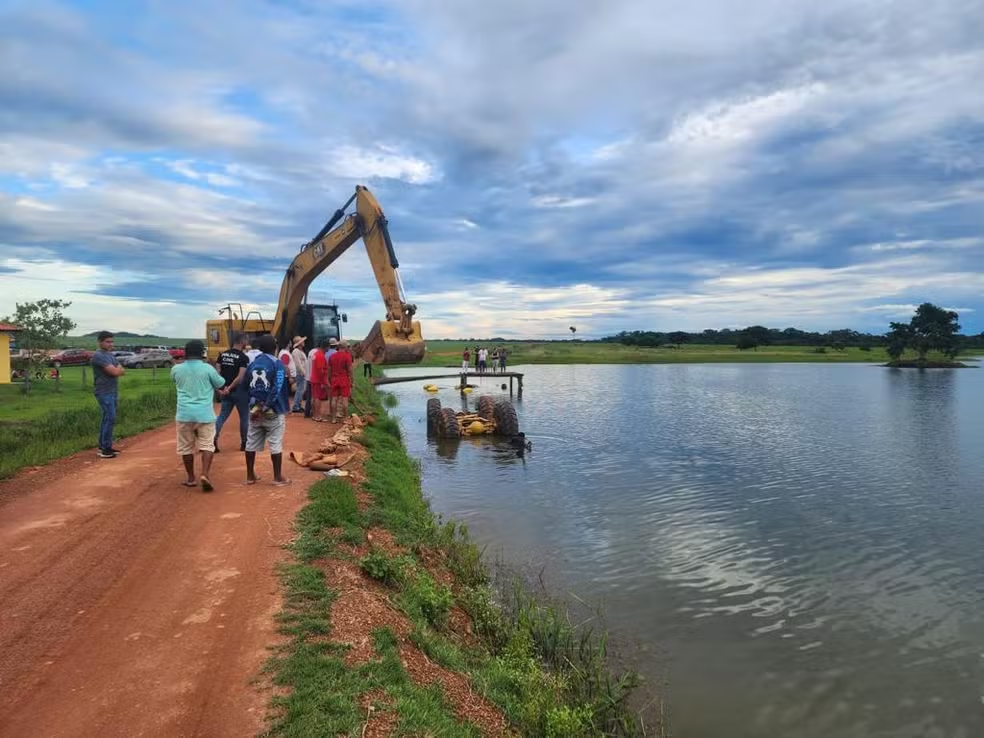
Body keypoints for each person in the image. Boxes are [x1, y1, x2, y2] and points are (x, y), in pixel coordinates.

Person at [171, 339, 226, 491]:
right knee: (208, 445)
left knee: (185, 447)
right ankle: (205, 474)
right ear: (202, 352)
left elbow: (174, 381)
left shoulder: (176, 369)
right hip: (204, 414)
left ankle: (190, 478)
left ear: (185, 352)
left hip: (184, 413)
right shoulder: (208, 369)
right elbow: (220, 383)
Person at [244, 334, 291, 486]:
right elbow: (277, 387)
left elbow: (246, 386)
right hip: (273, 410)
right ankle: (277, 477)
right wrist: (265, 406)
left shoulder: (253, 364)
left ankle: (250, 476)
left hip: (254, 410)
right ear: (274, 347)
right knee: (275, 442)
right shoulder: (277, 364)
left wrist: (255, 406)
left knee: (250, 442)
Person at [91, 331, 125, 458]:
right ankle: (104, 448)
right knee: (109, 418)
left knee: (109, 418)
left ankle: (105, 445)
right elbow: (115, 372)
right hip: (104, 392)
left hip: (112, 391)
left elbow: (121, 369)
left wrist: (118, 370)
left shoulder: (109, 355)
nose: (111, 344)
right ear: (100, 342)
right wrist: (117, 370)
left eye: (112, 341)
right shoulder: (98, 356)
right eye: (108, 341)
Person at [215, 332, 250, 453]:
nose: (247, 343)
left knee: (222, 416)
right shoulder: (243, 357)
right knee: (244, 417)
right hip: (239, 391)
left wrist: (222, 387)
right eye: (246, 340)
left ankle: (213, 438)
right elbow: (240, 377)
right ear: (242, 341)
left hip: (225, 391)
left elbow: (217, 372)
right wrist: (230, 388)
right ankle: (244, 443)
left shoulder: (222, 355)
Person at [328, 339, 354, 423]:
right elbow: (350, 370)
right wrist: (352, 381)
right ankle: (345, 418)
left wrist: (329, 379)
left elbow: (329, 370)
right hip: (344, 379)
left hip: (334, 379)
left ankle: (333, 418)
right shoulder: (347, 356)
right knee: (345, 400)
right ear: (345, 347)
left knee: (334, 399)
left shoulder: (332, 356)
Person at [309, 337, 331, 421]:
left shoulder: (316, 354)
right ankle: (317, 416)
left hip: (314, 378)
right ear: (326, 347)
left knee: (315, 397)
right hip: (318, 380)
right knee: (317, 398)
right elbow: (321, 371)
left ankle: (315, 415)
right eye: (328, 347)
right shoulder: (320, 356)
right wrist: (325, 382)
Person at [290, 336, 308, 413]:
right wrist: (303, 373)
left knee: (301, 389)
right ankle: (296, 406)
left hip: (302, 373)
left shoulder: (299, 351)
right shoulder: (296, 351)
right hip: (300, 373)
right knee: (300, 389)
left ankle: (298, 405)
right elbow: (298, 364)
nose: (303, 343)